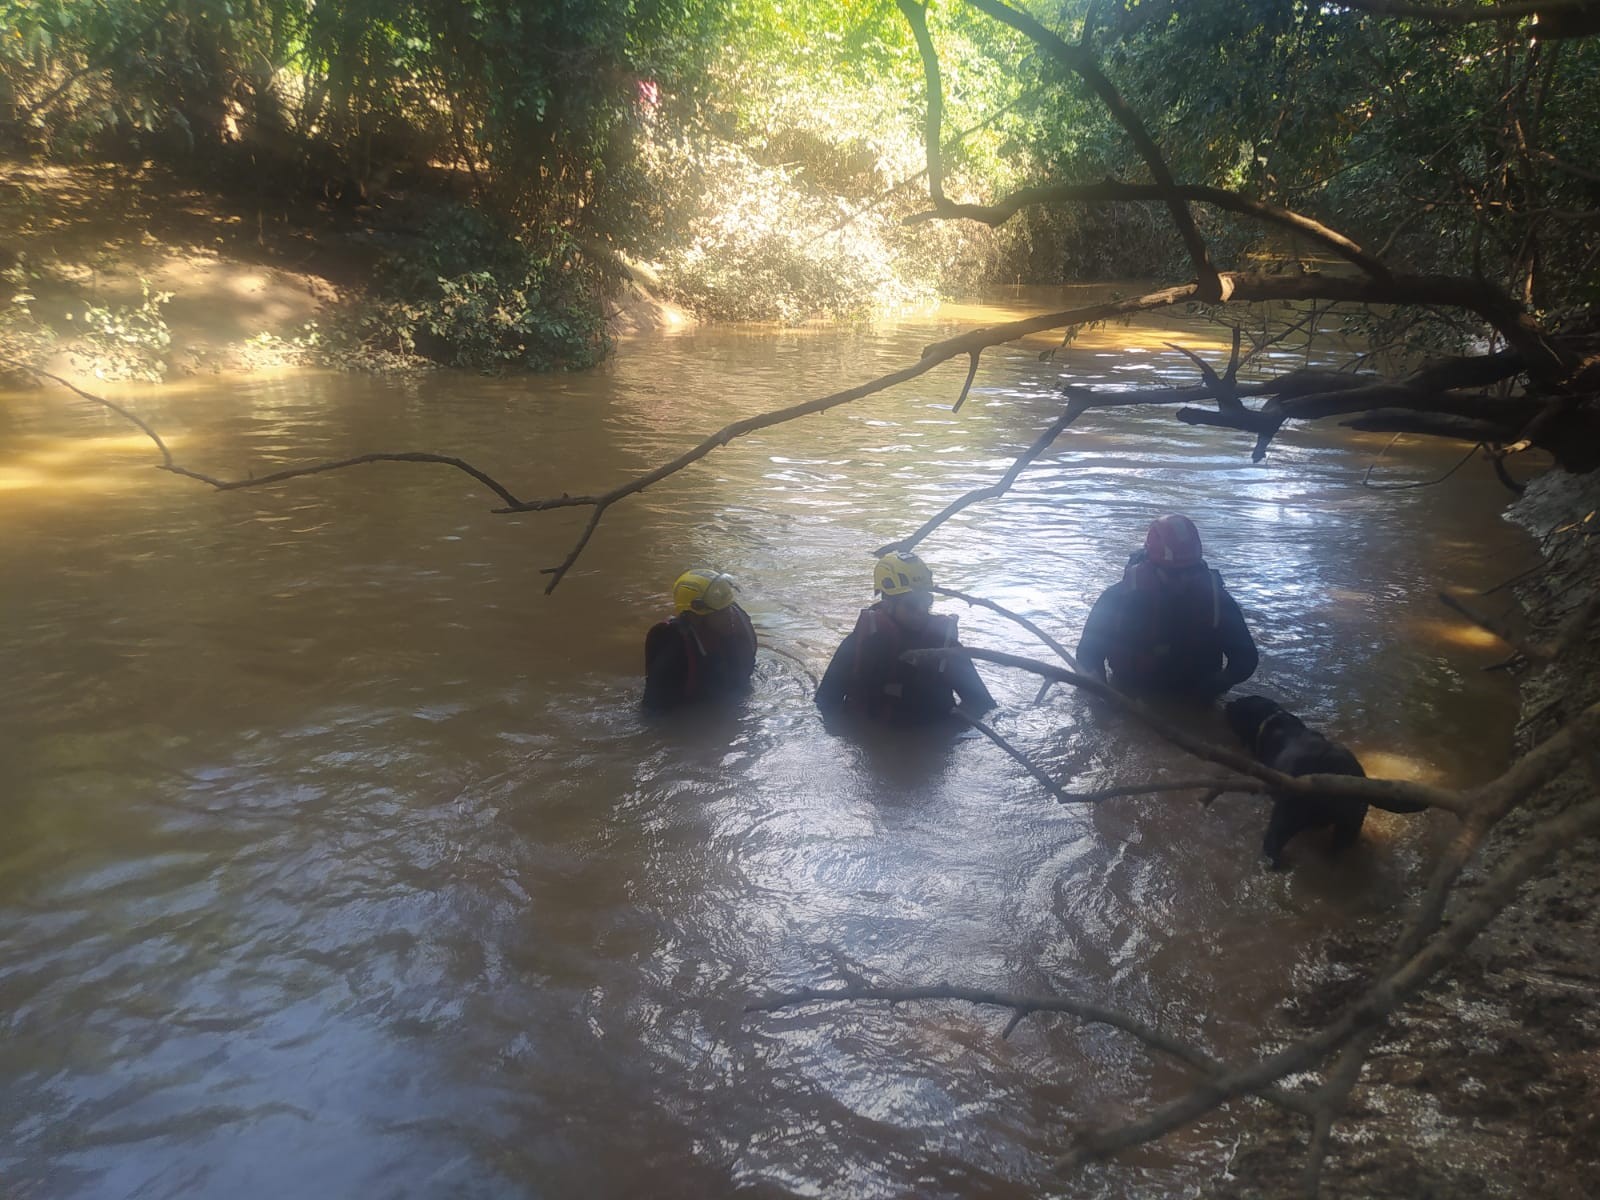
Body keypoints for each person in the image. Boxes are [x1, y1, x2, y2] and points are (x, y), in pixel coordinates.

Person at [1075, 514, 1259, 697]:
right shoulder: (1117, 598)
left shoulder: (1218, 601)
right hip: (1130, 693)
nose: (1183, 580)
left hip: (1197, 697)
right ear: (1150, 564)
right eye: (1174, 573)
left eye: (1190, 571)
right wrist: (1102, 697)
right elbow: (1088, 654)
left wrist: (1220, 682)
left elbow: (1246, 658)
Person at [815, 551, 996, 727]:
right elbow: (825, 702)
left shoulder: (944, 644)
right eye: (911, 605)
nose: (921, 611)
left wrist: (954, 733)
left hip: (932, 741)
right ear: (888, 604)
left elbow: (983, 705)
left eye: (926, 602)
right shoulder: (858, 644)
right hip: (874, 741)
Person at [642, 568, 758, 711]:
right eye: (720, 612)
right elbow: (653, 711)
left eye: (729, 608)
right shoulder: (674, 648)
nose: (730, 616)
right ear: (694, 617)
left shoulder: (734, 626)